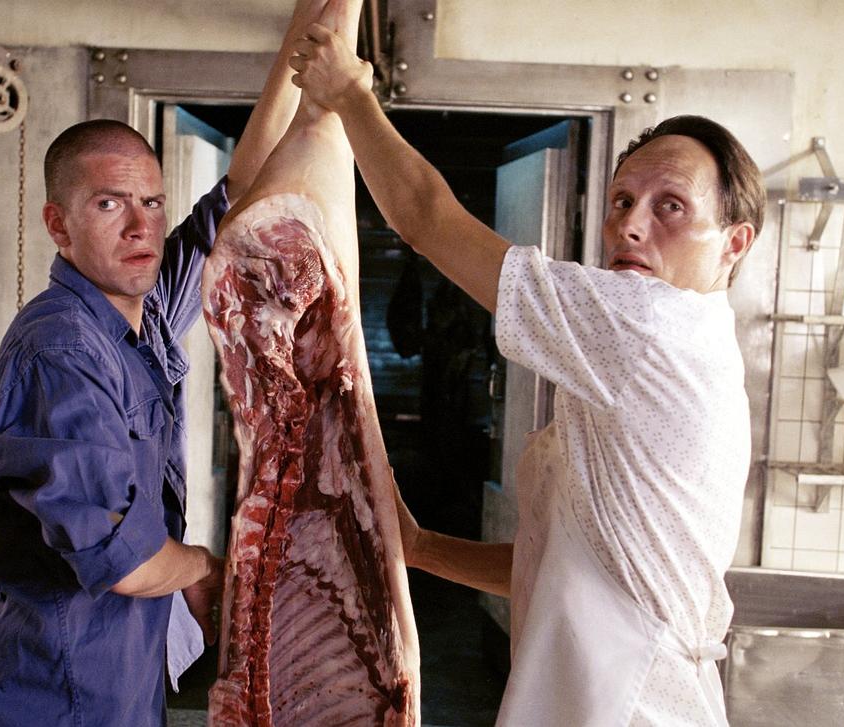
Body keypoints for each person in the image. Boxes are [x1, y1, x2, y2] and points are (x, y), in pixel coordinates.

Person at [290, 25, 763, 727]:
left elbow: (425, 218)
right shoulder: (691, 342)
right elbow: (566, 564)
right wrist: (421, 549)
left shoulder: (652, 323)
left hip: (631, 706)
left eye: (671, 205)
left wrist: (352, 94)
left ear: (734, 242)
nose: (630, 226)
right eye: (621, 201)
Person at [0, 4, 332, 724]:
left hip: (118, 679)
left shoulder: (143, 312)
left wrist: (312, 26)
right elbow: (123, 559)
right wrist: (202, 566)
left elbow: (242, 191)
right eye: (109, 204)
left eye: (152, 202)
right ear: (59, 224)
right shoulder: (62, 353)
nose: (140, 225)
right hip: (59, 696)